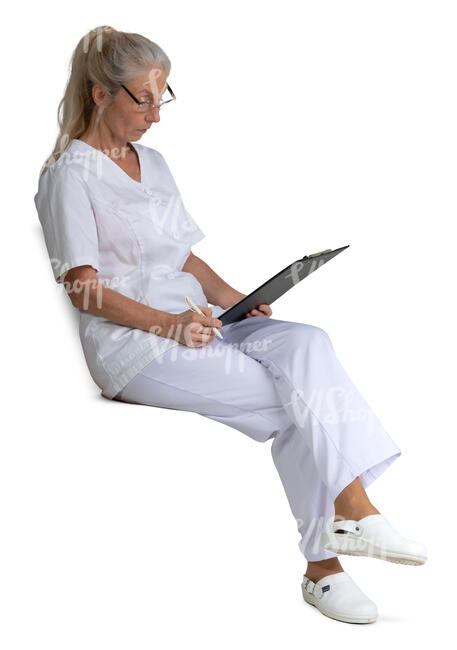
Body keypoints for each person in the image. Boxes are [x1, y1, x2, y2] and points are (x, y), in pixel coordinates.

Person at [34, 25, 427, 625]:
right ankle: (333, 551)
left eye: (161, 98)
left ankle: (344, 534)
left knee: (307, 342)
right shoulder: (70, 175)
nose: (155, 117)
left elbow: (184, 258)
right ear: (100, 94)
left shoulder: (155, 163)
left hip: (201, 322)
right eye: (143, 99)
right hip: (136, 346)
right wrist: (168, 325)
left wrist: (242, 299)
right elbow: (84, 287)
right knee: (299, 399)